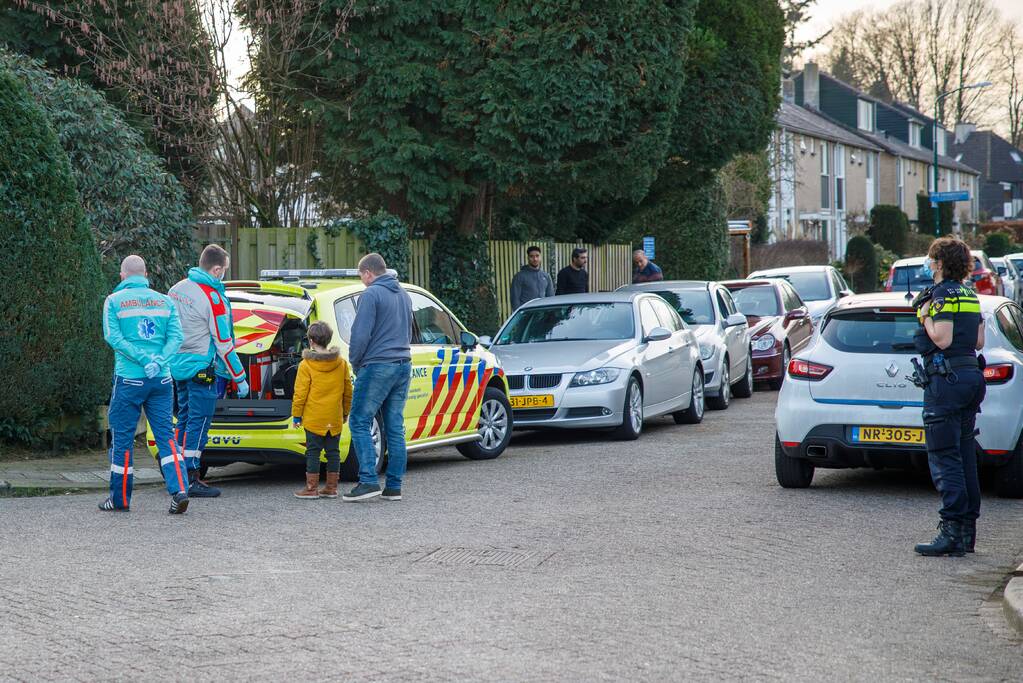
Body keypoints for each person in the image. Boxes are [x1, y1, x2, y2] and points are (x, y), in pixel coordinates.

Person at [913, 237, 986, 557]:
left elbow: (942, 339)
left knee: (945, 456)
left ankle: (950, 531)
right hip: (970, 377)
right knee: (965, 454)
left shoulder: (941, 296)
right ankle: (967, 532)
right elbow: (979, 341)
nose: (929, 265)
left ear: (940, 263)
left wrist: (925, 315)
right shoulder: (970, 294)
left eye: (932, 260)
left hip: (946, 383)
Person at [100, 255, 189, 514]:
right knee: (166, 437)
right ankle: (180, 490)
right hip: (161, 379)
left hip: (129, 379)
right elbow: (177, 338)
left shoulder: (113, 301)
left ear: (122, 275)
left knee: (122, 439)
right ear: (146, 274)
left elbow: (113, 338)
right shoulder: (165, 301)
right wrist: (159, 360)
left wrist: (143, 358)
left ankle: (119, 500)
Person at [168, 244, 249, 498]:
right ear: (216, 270)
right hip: (202, 368)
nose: (223, 274)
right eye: (224, 270)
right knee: (200, 421)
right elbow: (224, 343)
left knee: (183, 418)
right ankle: (192, 477)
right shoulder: (212, 298)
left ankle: (178, 472)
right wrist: (240, 377)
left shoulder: (176, 289)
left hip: (177, 366)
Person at [342, 254, 413, 502]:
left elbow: (360, 334)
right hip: (403, 364)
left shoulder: (371, 294)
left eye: (361, 276)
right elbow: (408, 331)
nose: (362, 281)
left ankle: (368, 481)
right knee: (395, 426)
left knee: (359, 420)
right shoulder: (403, 294)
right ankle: (394, 486)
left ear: (368, 273)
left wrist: (356, 363)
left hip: (378, 365)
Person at [291, 321, 353, 500]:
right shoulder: (341, 363)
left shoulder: (306, 365)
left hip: (314, 418)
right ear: (328, 339)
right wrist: (345, 412)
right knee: (333, 452)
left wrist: (297, 415)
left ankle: (311, 489)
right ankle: (331, 488)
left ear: (311, 341)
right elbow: (348, 391)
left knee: (313, 452)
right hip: (334, 416)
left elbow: (300, 393)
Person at [510, 245, 554, 310]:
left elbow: (551, 298)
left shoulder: (546, 276)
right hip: (527, 313)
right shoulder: (519, 276)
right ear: (528, 258)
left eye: (537, 256)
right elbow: (515, 299)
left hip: (543, 313)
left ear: (540, 257)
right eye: (531, 256)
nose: (535, 259)